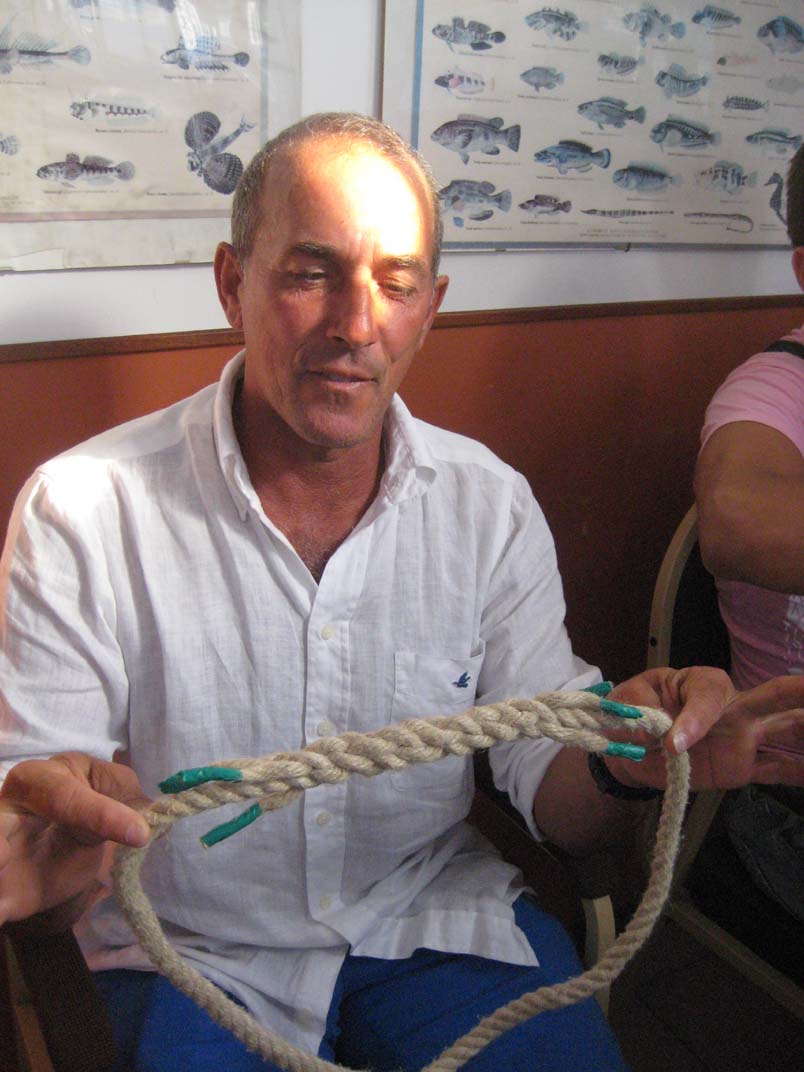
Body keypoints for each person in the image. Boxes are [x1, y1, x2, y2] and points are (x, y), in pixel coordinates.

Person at [1, 113, 802, 1072]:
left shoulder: (488, 505)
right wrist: (45, 868)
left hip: (435, 922)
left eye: (396, 282)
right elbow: (38, 835)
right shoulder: (83, 511)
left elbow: (548, 772)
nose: (356, 325)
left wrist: (631, 762)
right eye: (310, 273)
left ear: (431, 308)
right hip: (184, 950)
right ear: (231, 284)